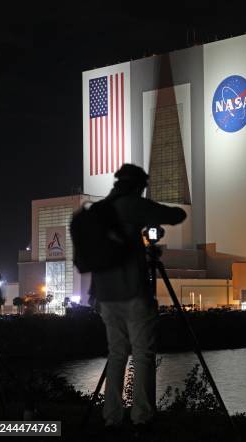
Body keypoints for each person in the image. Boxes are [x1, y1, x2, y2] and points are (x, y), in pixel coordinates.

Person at [90, 164, 186, 431]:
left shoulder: (99, 211)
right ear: (137, 185)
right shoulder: (132, 205)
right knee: (143, 353)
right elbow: (176, 215)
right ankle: (142, 416)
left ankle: (112, 417)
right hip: (132, 291)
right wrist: (151, 220)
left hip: (105, 294)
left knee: (117, 354)